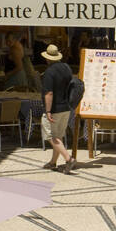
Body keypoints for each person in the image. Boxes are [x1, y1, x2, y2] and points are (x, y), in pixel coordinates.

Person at [40, 44, 76, 174]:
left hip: (54, 109)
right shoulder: (66, 68)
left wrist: (48, 111)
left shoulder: (49, 72)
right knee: (58, 136)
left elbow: (49, 93)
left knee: (50, 136)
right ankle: (52, 162)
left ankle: (69, 159)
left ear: (47, 58)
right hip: (66, 107)